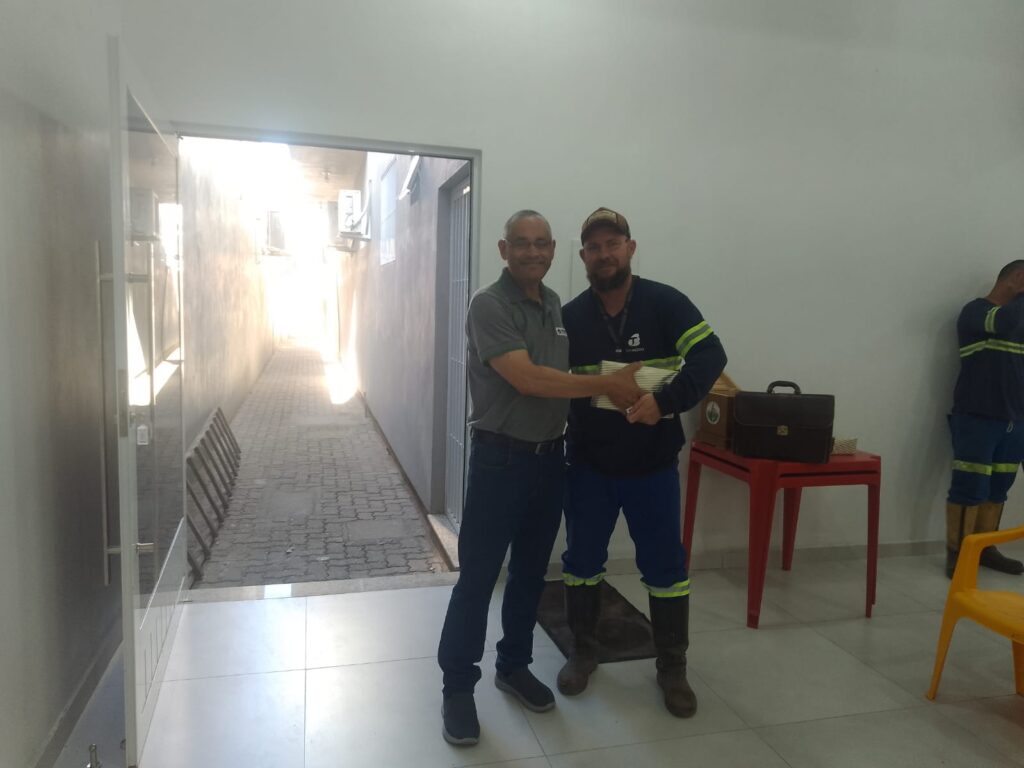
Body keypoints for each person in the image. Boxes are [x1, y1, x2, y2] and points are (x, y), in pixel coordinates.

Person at [437, 209, 643, 746]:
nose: (532, 252)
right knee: (478, 580)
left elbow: (564, 377)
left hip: (550, 460)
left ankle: (514, 665)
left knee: (531, 574)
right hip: (500, 461)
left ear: (553, 251)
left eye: (541, 243)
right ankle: (458, 689)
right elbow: (528, 379)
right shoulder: (488, 304)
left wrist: (636, 388)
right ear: (504, 250)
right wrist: (608, 385)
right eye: (521, 243)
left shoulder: (553, 304)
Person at [556, 207, 726, 718]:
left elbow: (711, 356)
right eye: (594, 247)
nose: (604, 254)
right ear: (583, 257)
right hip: (588, 467)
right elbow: (550, 380)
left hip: (652, 468)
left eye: (613, 244)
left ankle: (672, 666)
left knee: (666, 567)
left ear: (630, 248)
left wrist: (665, 401)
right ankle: (583, 651)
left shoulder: (665, 303)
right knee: (581, 563)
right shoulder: (570, 317)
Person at [944, 260, 1024, 578]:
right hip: (977, 417)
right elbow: (1005, 323)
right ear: (1018, 277)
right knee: (969, 486)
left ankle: (985, 548)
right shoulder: (977, 312)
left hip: (1015, 420)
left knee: (999, 487)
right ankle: (959, 553)